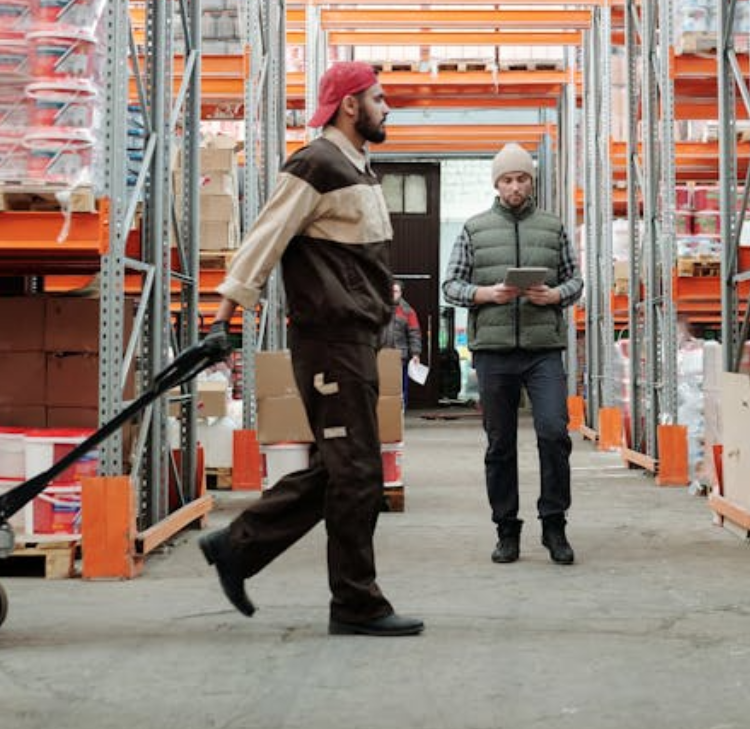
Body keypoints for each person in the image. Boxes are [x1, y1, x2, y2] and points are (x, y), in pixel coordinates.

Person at [197, 61, 423, 638]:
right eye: (378, 97)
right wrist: (222, 316)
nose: (386, 107)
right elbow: (263, 239)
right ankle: (355, 603)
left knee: (343, 469)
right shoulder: (315, 164)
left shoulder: (357, 168)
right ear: (351, 105)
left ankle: (237, 548)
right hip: (329, 344)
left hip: (355, 341)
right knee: (356, 475)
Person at [442, 142, 584, 565]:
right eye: (507, 179)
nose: (515, 186)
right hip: (494, 351)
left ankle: (554, 525)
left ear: (531, 182)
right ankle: (507, 530)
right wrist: (484, 294)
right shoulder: (474, 229)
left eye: (522, 178)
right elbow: (451, 286)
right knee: (499, 444)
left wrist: (555, 295)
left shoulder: (553, 227)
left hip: (543, 350)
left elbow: (575, 280)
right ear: (497, 184)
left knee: (554, 433)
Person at [382, 282, 421, 401]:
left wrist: (416, 353)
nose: (392, 294)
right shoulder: (380, 308)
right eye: (391, 291)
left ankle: (399, 413)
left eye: (396, 291)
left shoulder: (408, 311)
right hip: (380, 354)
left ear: (401, 293)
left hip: (399, 356)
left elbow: (414, 333)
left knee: (400, 388)